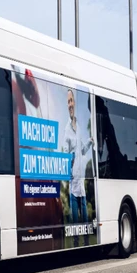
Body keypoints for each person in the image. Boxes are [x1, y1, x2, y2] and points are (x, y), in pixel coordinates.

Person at [63, 89, 93, 246]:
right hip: (73, 181)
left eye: (71, 101)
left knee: (86, 218)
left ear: (74, 102)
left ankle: (87, 241)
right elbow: (66, 154)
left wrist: (89, 142)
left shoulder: (80, 127)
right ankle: (76, 243)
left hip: (82, 181)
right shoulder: (66, 130)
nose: (70, 104)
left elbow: (81, 149)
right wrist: (69, 172)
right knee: (75, 220)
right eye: (68, 102)